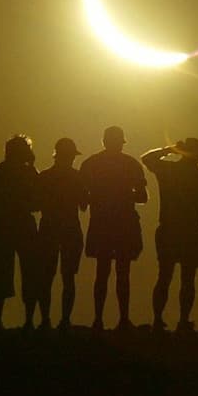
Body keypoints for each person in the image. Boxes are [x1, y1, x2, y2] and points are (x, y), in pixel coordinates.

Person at [80, 125, 148, 331]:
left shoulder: (90, 164)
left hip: (102, 223)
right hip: (125, 224)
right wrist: (124, 197)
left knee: (102, 272)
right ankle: (123, 319)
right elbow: (143, 197)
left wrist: (99, 198)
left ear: (103, 141)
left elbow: (82, 202)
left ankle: (98, 320)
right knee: (122, 273)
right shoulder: (131, 164)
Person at [141, 138, 198, 331]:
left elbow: (146, 158)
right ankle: (183, 320)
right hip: (190, 231)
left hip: (168, 229)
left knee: (165, 276)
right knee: (187, 279)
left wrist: (170, 149)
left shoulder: (169, 170)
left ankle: (158, 319)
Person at [0, 135, 41, 330]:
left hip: (4, 224)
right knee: (28, 272)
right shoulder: (29, 173)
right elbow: (39, 202)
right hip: (23, 224)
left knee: (1, 272)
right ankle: (28, 320)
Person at [35, 137, 89, 330]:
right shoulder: (77, 177)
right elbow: (84, 206)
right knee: (68, 278)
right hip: (70, 229)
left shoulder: (43, 176)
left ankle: (45, 320)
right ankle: (65, 320)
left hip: (48, 227)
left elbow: (36, 204)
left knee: (46, 276)